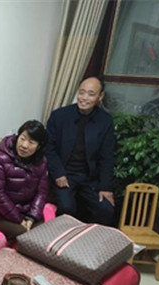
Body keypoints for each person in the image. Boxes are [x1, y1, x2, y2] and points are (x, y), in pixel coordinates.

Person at [45, 76, 115, 226]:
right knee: (67, 208)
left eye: (91, 94)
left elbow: (107, 156)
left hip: (90, 179)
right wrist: (58, 173)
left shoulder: (105, 121)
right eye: (81, 92)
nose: (84, 98)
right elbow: (49, 148)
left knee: (106, 209)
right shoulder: (59, 116)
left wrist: (105, 187)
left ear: (100, 96)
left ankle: (90, 240)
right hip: (65, 175)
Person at [0, 120, 49, 240]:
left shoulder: (41, 161)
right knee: (23, 234)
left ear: (39, 146)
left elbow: (41, 192)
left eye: (31, 142)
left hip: (26, 210)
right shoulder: (0, 158)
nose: (24, 145)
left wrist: (31, 217)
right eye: (22, 139)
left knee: (41, 232)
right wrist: (19, 220)